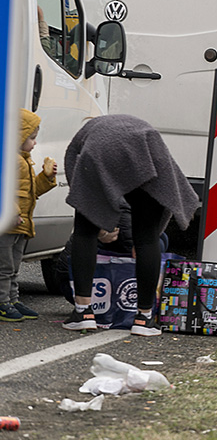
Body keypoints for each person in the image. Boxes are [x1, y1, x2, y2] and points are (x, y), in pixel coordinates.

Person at [62, 114, 200, 335]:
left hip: (102, 153)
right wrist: (153, 236)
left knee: (84, 232)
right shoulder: (135, 127)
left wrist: (95, 220)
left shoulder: (86, 136)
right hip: (149, 152)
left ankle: (83, 312)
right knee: (146, 239)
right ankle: (144, 318)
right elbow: (163, 196)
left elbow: (76, 182)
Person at [0, 109, 58, 322]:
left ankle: (12, 299)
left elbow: (30, 193)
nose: (34, 143)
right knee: (4, 266)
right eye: (31, 138)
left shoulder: (24, 161)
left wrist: (46, 177)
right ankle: (2, 302)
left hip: (20, 225)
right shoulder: (9, 161)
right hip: (8, 224)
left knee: (14, 266)